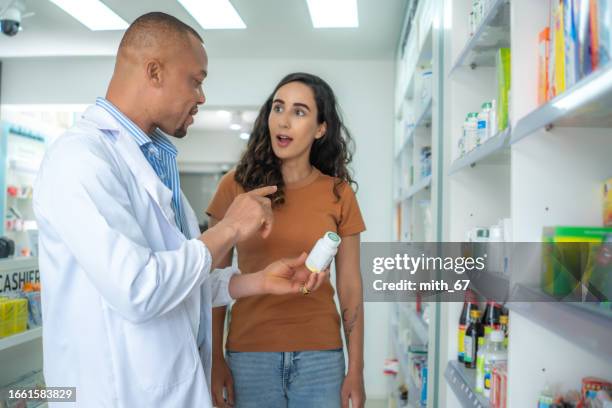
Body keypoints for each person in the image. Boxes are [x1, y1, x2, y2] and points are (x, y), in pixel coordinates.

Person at [33, 13, 328, 407]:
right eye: (197, 80)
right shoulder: (79, 160)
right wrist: (229, 229)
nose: (202, 96)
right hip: (115, 392)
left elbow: (180, 278)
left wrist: (255, 282)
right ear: (154, 72)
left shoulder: (152, 163)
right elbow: (139, 287)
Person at [208, 72, 366, 408]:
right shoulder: (234, 186)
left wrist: (356, 369)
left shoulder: (338, 194)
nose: (283, 121)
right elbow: (212, 281)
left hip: (321, 357)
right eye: (278, 108)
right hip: (249, 355)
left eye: (299, 111)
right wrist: (214, 358)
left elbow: (351, 285)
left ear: (321, 128)